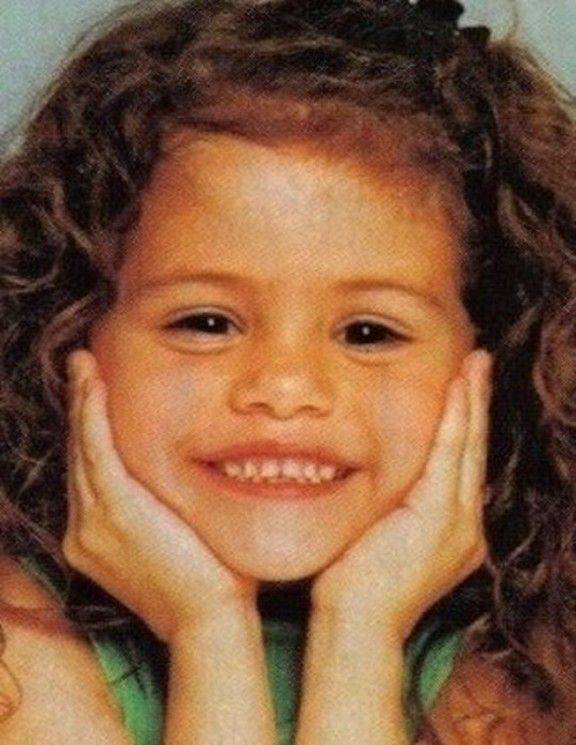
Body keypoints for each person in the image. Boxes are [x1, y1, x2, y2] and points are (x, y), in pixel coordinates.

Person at [0, 0, 575, 742]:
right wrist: (207, 628)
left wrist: (361, 633)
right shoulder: (19, 647)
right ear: (65, 332)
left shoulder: (533, 661)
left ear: (502, 357)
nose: (283, 388)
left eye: (368, 333)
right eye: (206, 323)